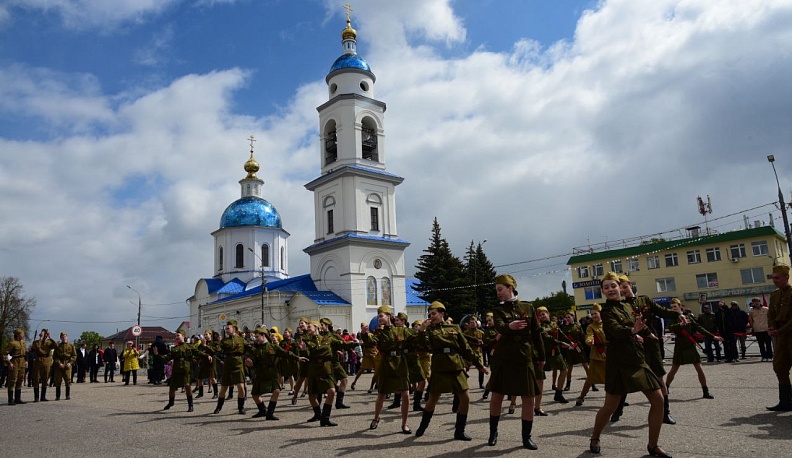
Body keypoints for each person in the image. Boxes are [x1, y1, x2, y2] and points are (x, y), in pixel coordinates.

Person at [589, 272, 672, 458]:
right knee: (610, 406)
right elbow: (614, 330)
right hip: (618, 362)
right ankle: (595, 437)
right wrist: (632, 331)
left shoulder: (629, 305)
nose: (610, 289)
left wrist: (647, 333)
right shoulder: (606, 311)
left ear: (620, 287)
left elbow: (640, 323)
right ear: (603, 291)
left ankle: (653, 445)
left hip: (637, 360)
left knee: (658, 400)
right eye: (606, 287)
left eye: (613, 286)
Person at [415, 301, 489, 441]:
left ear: (442, 313)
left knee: (465, 398)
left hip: (456, 366)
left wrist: (479, 365)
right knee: (433, 399)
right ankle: (423, 426)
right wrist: (422, 331)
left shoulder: (454, 327)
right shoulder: (430, 331)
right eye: (430, 314)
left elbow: (465, 348)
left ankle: (459, 431)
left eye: (434, 313)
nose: (432, 316)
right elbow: (423, 346)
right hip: (440, 367)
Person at [485, 274, 544, 449]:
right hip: (504, 357)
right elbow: (500, 326)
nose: (498, 293)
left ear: (510, 288)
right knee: (497, 396)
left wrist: (542, 357)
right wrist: (509, 327)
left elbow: (536, 333)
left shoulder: (528, 307)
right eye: (496, 290)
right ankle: (493, 432)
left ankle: (526, 437)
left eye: (500, 289)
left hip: (524, 357)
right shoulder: (498, 311)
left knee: (528, 398)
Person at [618, 274, 685, 425]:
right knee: (626, 377)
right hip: (634, 344)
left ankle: (665, 412)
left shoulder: (644, 299)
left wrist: (678, 314)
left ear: (630, 284)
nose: (623, 290)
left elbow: (661, 311)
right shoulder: (620, 306)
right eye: (620, 287)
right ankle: (617, 409)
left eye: (624, 286)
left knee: (659, 377)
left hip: (651, 343)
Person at [364, 306, 415, 434]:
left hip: (400, 363)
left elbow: (414, 336)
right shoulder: (379, 333)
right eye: (378, 316)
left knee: (406, 395)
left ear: (389, 316)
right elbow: (371, 342)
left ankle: (404, 424)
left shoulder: (400, 330)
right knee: (381, 394)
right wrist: (365, 334)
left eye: (381, 316)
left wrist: (423, 329)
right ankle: (376, 418)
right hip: (387, 363)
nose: (379, 318)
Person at [664, 298, 723, 399]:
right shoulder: (673, 318)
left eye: (675, 306)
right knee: (674, 369)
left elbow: (699, 328)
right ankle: (666, 389)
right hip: (680, 346)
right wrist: (680, 324)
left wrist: (713, 336)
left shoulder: (688, 317)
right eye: (672, 307)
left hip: (690, 345)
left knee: (699, 368)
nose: (673, 308)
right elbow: (671, 328)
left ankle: (705, 391)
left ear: (680, 306)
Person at [303, 319, 358, 426]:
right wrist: (303, 349)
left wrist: (354, 344)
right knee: (312, 397)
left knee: (332, 391)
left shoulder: (328, 339)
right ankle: (318, 414)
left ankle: (325, 418)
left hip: (326, 369)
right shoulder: (306, 340)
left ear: (316, 327)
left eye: (310, 326)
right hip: (314, 369)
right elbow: (307, 354)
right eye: (307, 326)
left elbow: (342, 343)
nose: (307, 328)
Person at [246, 327, 306, 420]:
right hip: (260, 373)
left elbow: (286, 353)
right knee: (255, 395)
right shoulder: (256, 350)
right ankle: (262, 410)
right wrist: (250, 364)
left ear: (263, 335)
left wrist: (297, 358)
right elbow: (254, 362)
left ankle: (270, 413)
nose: (256, 339)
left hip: (272, 372)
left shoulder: (273, 347)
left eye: (257, 336)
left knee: (276, 391)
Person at [207, 320, 251, 415]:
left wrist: (250, 358)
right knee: (223, 388)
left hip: (238, 364)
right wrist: (207, 347)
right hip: (228, 365)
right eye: (226, 329)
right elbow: (217, 349)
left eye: (228, 328)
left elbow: (250, 349)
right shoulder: (224, 341)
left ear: (234, 329)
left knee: (241, 387)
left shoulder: (241, 340)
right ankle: (218, 407)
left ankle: (241, 407)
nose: (226, 330)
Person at [157, 330, 204, 412]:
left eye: (178, 335)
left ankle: (190, 405)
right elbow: (167, 358)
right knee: (172, 388)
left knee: (187, 386)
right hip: (176, 371)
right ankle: (171, 402)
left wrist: (207, 356)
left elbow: (198, 353)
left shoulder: (189, 346)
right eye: (175, 336)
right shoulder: (174, 349)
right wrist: (157, 355)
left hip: (186, 370)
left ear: (183, 336)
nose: (176, 337)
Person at [767, 265, 792, 411]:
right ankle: (785, 401)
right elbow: (770, 314)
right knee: (779, 366)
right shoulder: (774, 295)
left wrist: (780, 330)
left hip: (789, 333)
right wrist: (771, 327)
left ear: (786, 277)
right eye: (773, 278)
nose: (774, 281)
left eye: (777, 278)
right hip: (781, 336)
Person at [576, 304, 606, 406]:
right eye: (592, 314)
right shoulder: (591, 326)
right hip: (596, 355)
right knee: (590, 378)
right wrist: (589, 341)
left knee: (612, 378)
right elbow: (589, 336)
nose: (593, 316)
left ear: (600, 313)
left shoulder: (608, 324)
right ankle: (581, 397)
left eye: (595, 313)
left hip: (609, 354)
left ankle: (616, 400)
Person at [561, 312, 589, 392]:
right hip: (570, 349)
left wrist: (587, 345)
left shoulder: (578, 326)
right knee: (569, 368)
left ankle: (592, 383)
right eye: (566, 317)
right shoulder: (565, 328)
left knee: (586, 366)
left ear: (573, 317)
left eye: (569, 317)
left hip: (579, 348)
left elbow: (583, 337)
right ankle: (568, 385)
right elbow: (564, 339)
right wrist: (568, 345)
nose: (567, 318)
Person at [350, 321, 379, 393]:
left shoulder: (372, 334)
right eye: (364, 327)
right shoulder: (364, 334)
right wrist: (363, 330)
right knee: (362, 368)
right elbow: (363, 335)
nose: (366, 327)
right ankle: (354, 382)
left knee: (377, 369)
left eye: (366, 326)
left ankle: (375, 385)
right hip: (367, 352)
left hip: (374, 351)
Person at [30, 328, 58, 402]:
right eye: (43, 333)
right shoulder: (36, 342)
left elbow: (56, 345)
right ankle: (36, 397)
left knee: (45, 378)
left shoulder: (49, 342)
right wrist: (40, 338)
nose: (44, 335)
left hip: (47, 360)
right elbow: (35, 347)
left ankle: (43, 396)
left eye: (45, 334)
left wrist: (50, 337)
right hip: (38, 360)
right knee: (36, 378)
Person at [4, 328, 28, 405]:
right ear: (18, 335)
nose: (23, 335)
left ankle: (18, 398)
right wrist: (9, 363)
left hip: (22, 361)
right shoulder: (12, 343)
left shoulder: (23, 342)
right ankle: (10, 400)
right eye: (22, 334)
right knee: (12, 379)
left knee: (20, 379)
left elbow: (25, 353)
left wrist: (26, 361)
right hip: (15, 361)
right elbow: (4, 354)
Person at [52, 331, 77, 400]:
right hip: (59, 364)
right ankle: (57, 396)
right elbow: (55, 357)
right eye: (62, 337)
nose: (64, 338)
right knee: (58, 380)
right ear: (60, 338)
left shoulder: (71, 346)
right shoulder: (58, 346)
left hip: (67, 363)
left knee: (68, 380)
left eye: (65, 336)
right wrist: (59, 363)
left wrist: (70, 363)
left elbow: (74, 355)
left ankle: (67, 395)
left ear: (67, 337)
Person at [749, 297, 773, 362]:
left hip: (766, 329)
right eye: (754, 302)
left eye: (757, 301)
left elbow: (770, 318)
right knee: (761, 344)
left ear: (760, 302)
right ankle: (764, 356)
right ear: (753, 303)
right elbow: (750, 319)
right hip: (757, 329)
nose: (756, 303)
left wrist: (771, 327)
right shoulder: (751, 310)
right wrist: (752, 327)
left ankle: (770, 356)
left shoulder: (766, 309)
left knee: (768, 344)